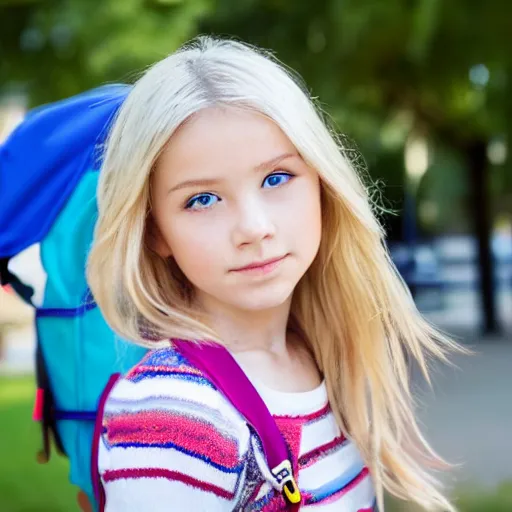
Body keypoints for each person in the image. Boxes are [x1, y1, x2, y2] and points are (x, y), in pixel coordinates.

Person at [87, 36, 460, 511]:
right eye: (202, 199)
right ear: (154, 232)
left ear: (323, 184)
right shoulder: (175, 421)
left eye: (276, 178)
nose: (254, 228)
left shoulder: (321, 355)